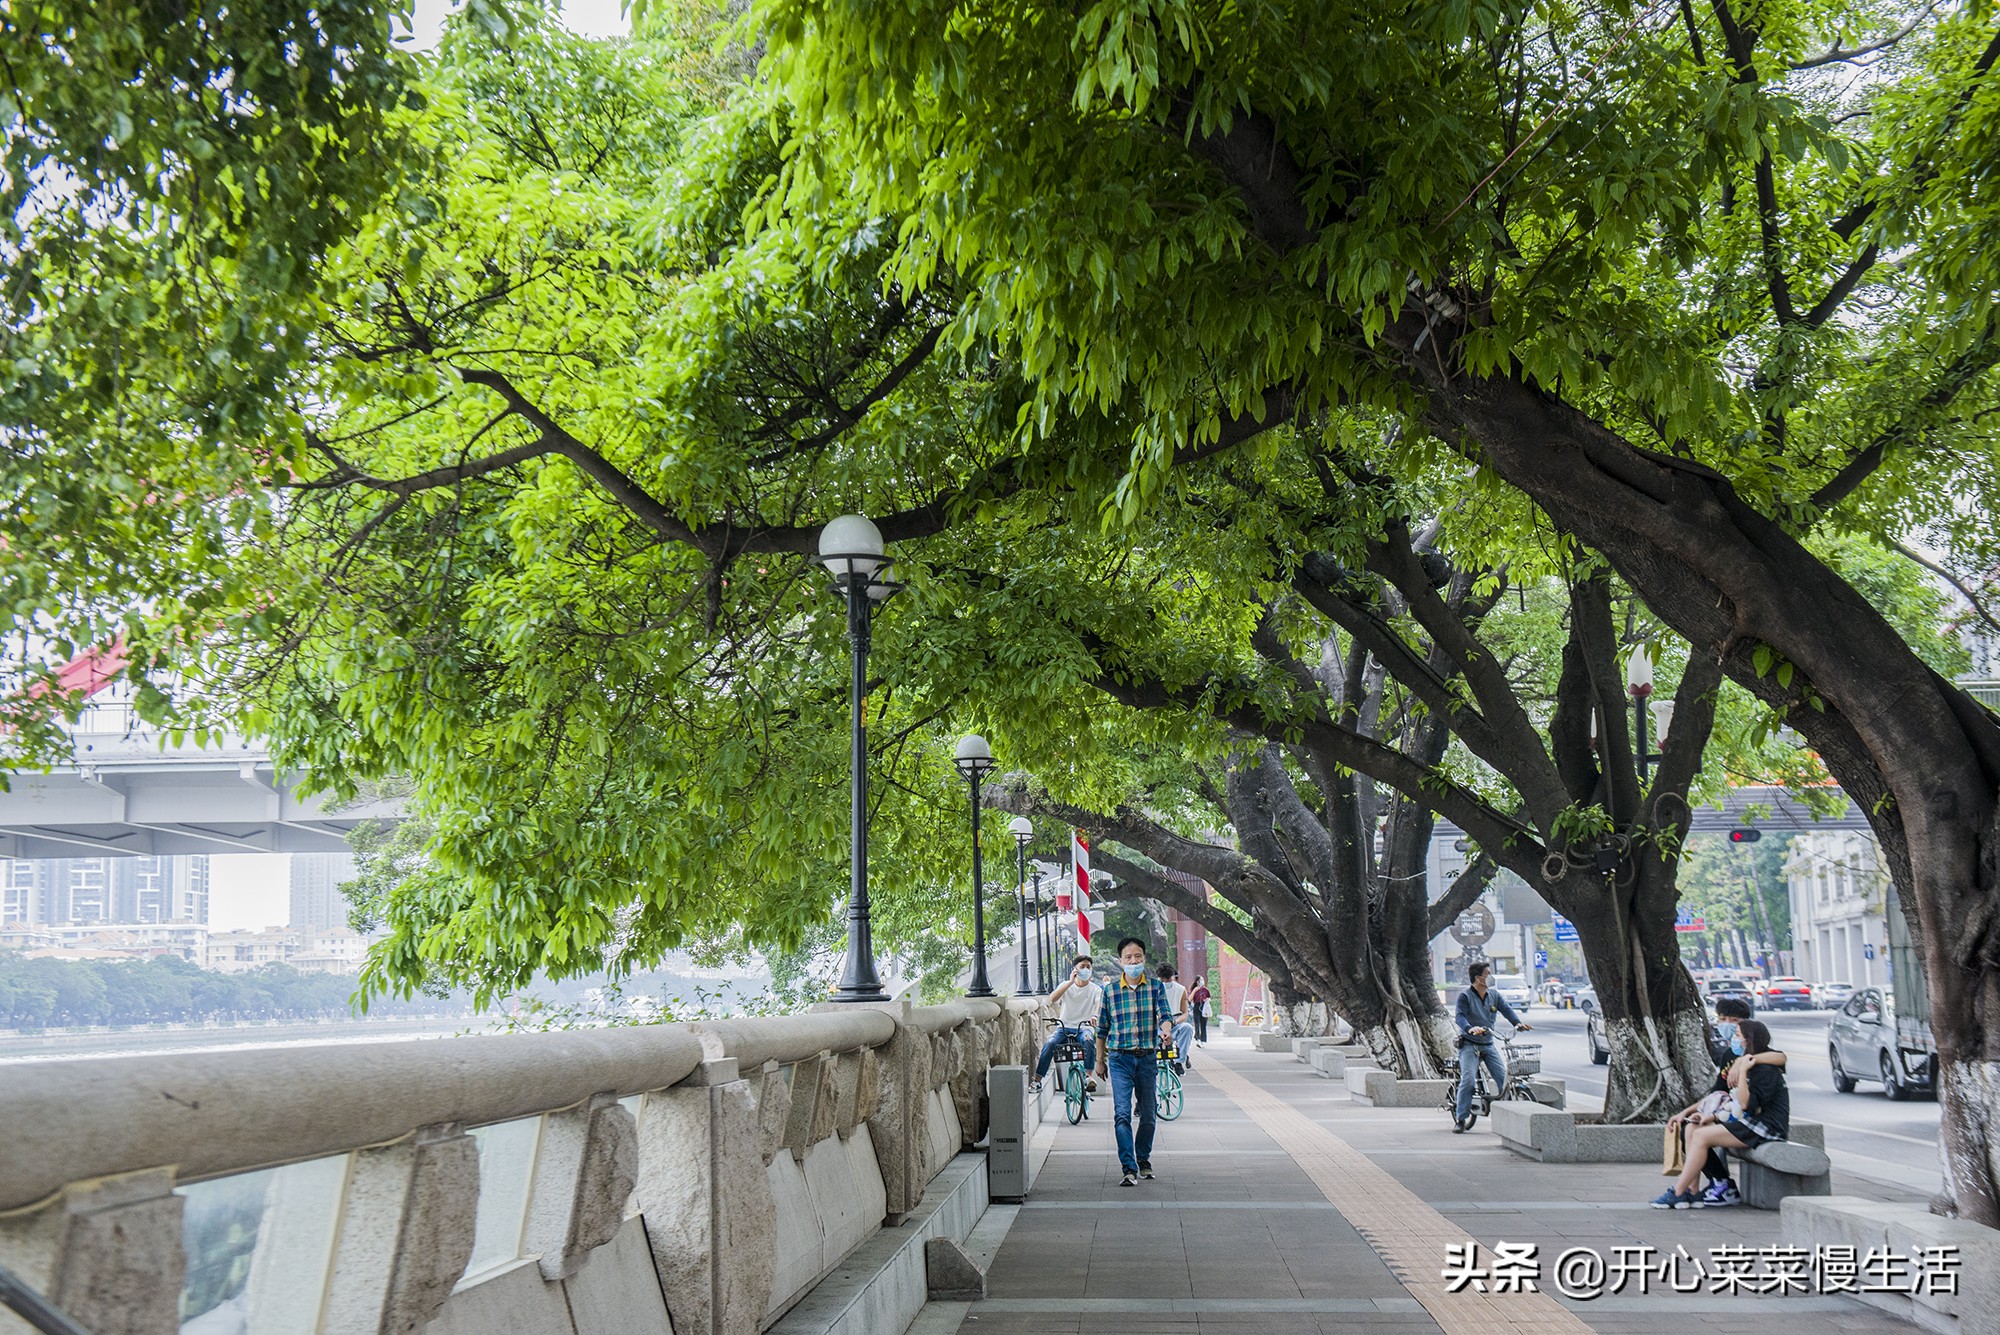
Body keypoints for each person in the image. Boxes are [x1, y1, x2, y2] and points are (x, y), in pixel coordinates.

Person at [1661, 1000, 1788, 1207]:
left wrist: (1743, 1066)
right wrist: (1690, 1113)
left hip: (1762, 1125)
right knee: (1691, 1128)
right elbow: (1719, 1094)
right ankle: (1693, 1191)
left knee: (1701, 1135)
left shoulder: (1765, 1065)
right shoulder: (1730, 1055)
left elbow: (1747, 1103)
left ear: (1749, 1037)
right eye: (1722, 1019)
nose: (1729, 1030)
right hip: (1741, 1118)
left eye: (1736, 1028)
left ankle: (1678, 1191)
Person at [1094, 936, 1175, 1187]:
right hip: (1119, 1059)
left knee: (1149, 1114)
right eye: (1128, 957)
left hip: (1147, 1058)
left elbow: (1165, 1014)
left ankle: (1143, 1158)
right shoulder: (1110, 991)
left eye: (1137, 956)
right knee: (1122, 1113)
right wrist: (1099, 1060)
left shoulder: (1155, 987)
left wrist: (1166, 1031)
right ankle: (1128, 1167)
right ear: (1121, 961)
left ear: (1144, 958)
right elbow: (1102, 1029)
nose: (1133, 961)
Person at [1452, 961, 1532, 1132]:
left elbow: (1507, 1010)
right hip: (1469, 1044)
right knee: (1468, 1080)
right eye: (1488, 974)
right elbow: (1459, 1016)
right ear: (1478, 978)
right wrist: (1469, 1028)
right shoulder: (1465, 996)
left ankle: (1509, 1117)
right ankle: (1460, 1118)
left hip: (1488, 1044)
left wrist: (1518, 1024)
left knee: (1504, 1080)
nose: (1491, 977)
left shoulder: (1494, 995)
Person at [1031, 954, 1103, 1092]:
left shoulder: (1095, 989)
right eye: (1082, 966)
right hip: (1064, 1027)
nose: (1086, 969)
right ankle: (1037, 1080)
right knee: (1050, 1043)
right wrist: (1070, 982)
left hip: (1084, 1027)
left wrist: (1094, 1015)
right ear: (1075, 969)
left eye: (1088, 967)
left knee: (1088, 1040)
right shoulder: (1066, 985)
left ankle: (1088, 1076)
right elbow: (1052, 999)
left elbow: (1098, 1005)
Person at [1157, 963, 1196, 1070]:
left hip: (1175, 1021)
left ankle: (1179, 1061)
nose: (1166, 982)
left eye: (1168, 979)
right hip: (1158, 1023)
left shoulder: (1180, 989)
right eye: (1163, 980)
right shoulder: (1154, 989)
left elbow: (1184, 1013)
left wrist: (1175, 1022)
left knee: (1187, 1028)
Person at [1189, 976, 1211, 1045]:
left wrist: (1207, 1000)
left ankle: (1203, 1040)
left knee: (1203, 1024)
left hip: (1204, 1006)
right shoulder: (1194, 989)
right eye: (1201, 980)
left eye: (1202, 980)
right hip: (1196, 1006)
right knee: (1197, 1023)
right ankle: (1198, 1038)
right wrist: (1194, 990)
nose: (1202, 981)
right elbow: (1189, 999)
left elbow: (1209, 997)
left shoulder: (1205, 990)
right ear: (1197, 981)